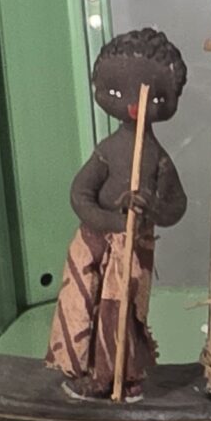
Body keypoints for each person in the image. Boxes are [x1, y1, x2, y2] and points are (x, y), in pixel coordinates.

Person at [46, 28, 190, 401]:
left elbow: (176, 205)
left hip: (133, 249)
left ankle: (119, 376)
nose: (133, 105)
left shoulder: (157, 159)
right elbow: (80, 193)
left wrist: (150, 208)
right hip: (94, 241)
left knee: (121, 309)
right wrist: (111, 221)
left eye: (155, 97)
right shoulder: (108, 150)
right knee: (82, 301)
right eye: (114, 92)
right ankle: (84, 368)